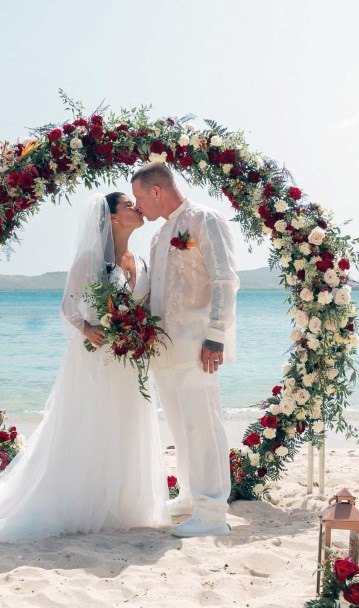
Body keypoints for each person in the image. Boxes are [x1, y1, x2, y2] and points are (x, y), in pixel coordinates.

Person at [0, 192, 169, 542]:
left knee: (126, 426)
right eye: (128, 204)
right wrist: (89, 329)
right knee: (92, 425)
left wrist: (139, 335)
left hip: (129, 361)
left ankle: (125, 504)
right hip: (96, 358)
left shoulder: (140, 261)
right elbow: (67, 309)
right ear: (112, 217)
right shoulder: (89, 260)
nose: (137, 207)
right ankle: (84, 502)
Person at [132, 163, 239, 538]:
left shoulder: (203, 219)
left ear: (157, 191)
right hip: (163, 349)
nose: (137, 204)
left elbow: (225, 279)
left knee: (203, 426)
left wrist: (216, 335)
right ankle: (192, 497)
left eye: (140, 196)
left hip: (197, 346)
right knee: (181, 426)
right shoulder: (158, 237)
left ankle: (212, 514)